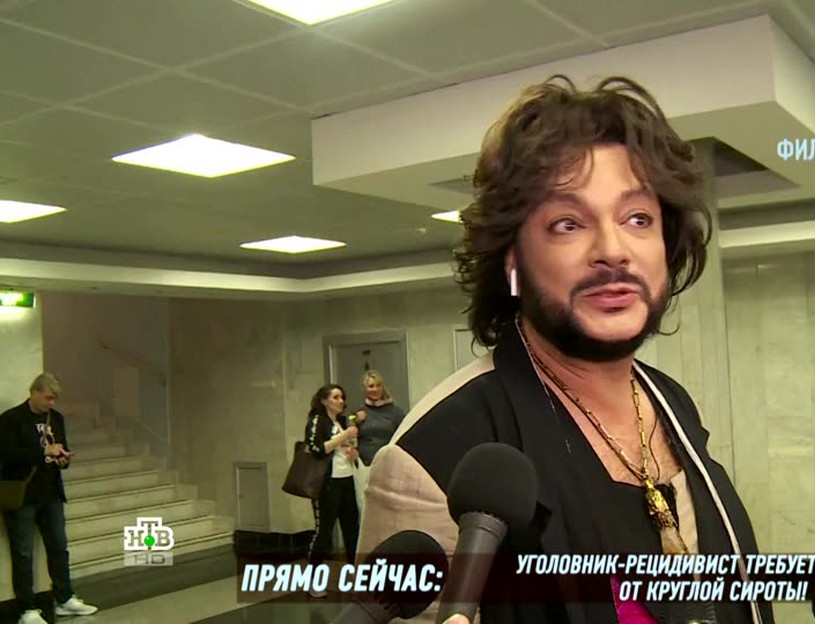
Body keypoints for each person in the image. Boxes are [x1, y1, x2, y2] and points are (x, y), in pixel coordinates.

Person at [357, 75, 774, 624]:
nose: (613, 250)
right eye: (567, 224)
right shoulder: (431, 459)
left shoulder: (670, 401)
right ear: (512, 261)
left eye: (638, 218)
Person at [0, 373, 98, 624]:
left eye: (54, 399)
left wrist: (63, 459)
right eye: (47, 398)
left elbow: (61, 448)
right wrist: (43, 450)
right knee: (23, 553)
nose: (51, 403)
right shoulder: (11, 419)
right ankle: (27, 609)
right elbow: (8, 456)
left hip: (51, 493)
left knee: (58, 547)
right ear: (34, 392)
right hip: (23, 496)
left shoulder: (56, 418)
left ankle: (64, 598)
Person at [303, 384, 360, 598]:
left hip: (346, 479)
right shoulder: (318, 421)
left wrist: (352, 451)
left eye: (342, 397)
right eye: (335, 397)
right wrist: (343, 437)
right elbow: (317, 449)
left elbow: (346, 448)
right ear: (324, 401)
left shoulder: (342, 422)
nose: (340, 401)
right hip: (327, 483)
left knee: (352, 530)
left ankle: (355, 577)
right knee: (325, 532)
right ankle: (313, 579)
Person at [351, 371, 406, 519]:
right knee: (364, 505)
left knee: (389, 504)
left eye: (377, 385)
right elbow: (347, 428)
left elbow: (404, 435)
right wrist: (355, 421)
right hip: (364, 464)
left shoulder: (395, 412)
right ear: (364, 389)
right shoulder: (358, 412)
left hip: (388, 465)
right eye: (370, 386)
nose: (374, 389)